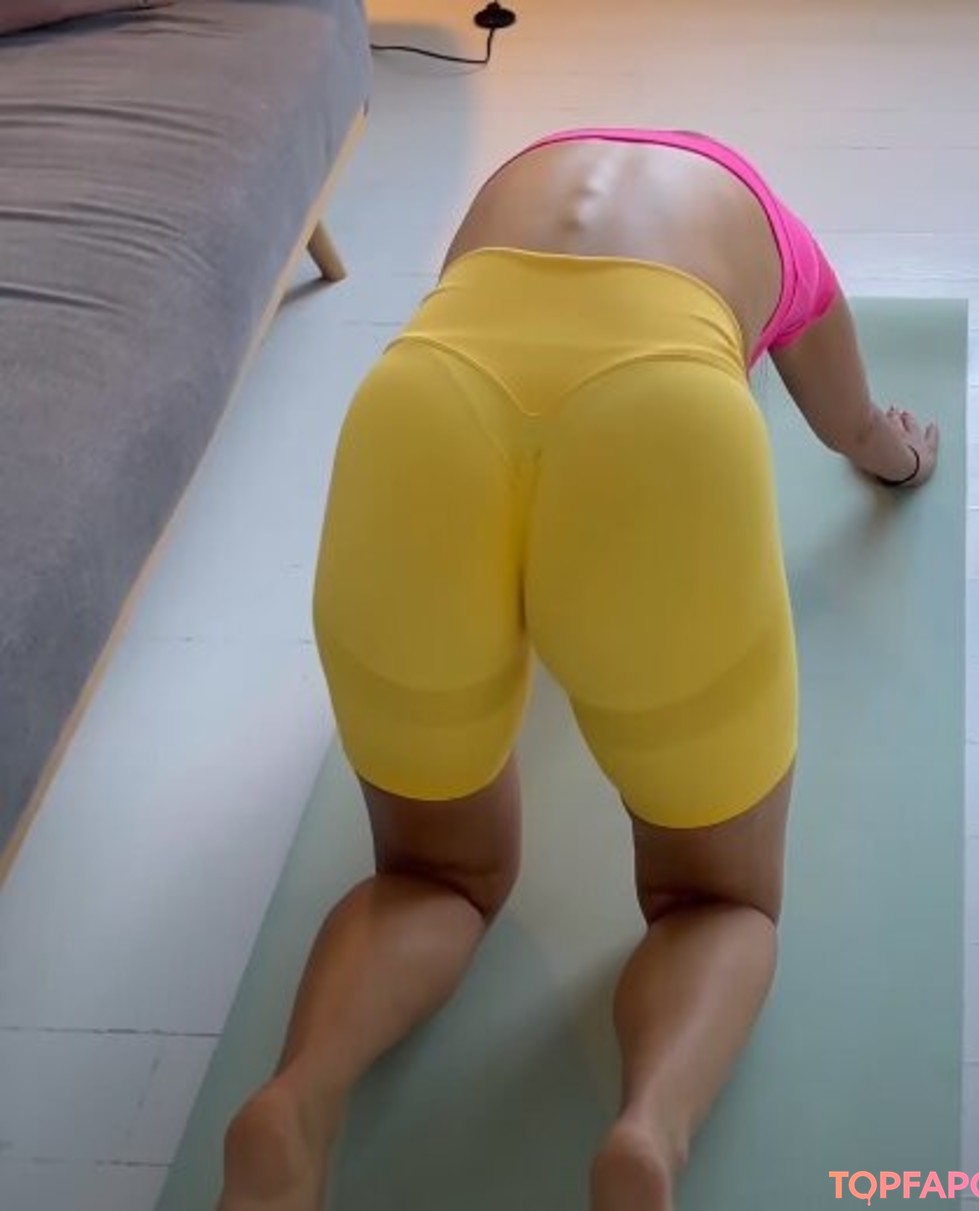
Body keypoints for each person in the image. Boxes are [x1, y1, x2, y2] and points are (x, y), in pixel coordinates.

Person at [218, 127, 939, 1211]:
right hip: (663, 423)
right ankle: (648, 1133)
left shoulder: (511, 188)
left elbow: (528, 444)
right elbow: (856, 429)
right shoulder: (783, 239)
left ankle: (299, 1095)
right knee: (714, 900)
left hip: (422, 402)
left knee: (432, 874)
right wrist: (906, 457)